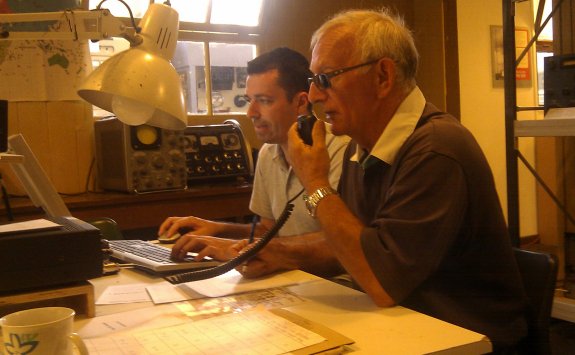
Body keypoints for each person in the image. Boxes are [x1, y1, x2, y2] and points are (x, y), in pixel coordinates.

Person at [280, 8, 527, 352]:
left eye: (326, 78)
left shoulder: (436, 150)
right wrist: (267, 252)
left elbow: (382, 282)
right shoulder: (363, 147)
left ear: (383, 76)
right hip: (409, 325)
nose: (315, 95)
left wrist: (315, 182)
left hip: (471, 339)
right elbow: (353, 243)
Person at [162, 47, 349, 276]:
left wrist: (237, 248)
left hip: (335, 286)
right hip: (290, 280)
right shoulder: (268, 153)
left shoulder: (343, 150)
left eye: (264, 100)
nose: (251, 112)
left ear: (301, 103)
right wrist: (219, 230)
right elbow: (269, 231)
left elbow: (343, 240)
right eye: (250, 100)